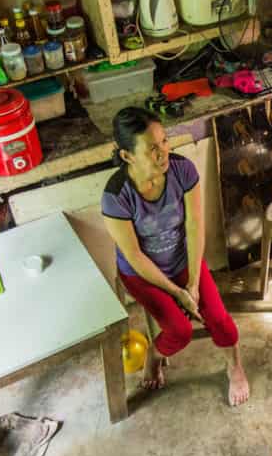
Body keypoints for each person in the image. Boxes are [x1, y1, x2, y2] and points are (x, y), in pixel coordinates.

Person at [102, 107, 250, 406]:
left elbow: (195, 228)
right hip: (142, 274)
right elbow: (134, 255)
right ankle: (154, 358)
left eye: (164, 141)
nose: (163, 153)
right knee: (179, 332)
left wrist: (193, 283)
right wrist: (177, 293)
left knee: (220, 321)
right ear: (128, 156)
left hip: (182, 262)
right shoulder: (116, 195)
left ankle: (234, 367)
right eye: (152, 148)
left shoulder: (183, 171)